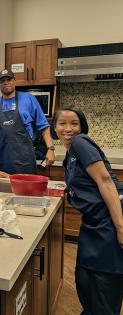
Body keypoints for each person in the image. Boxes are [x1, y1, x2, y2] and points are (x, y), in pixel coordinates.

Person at [52, 104, 123, 315]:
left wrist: (120, 227)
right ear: (54, 128)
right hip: (93, 225)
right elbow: (80, 185)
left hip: (109, 222)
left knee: (103, 290)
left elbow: (105, 181)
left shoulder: (81, 142)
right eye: (62, 123)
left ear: (82, 128)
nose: (68, 129)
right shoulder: (70, 155)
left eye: (74, 124)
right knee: (85, 282)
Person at [0, 69, 55, 174]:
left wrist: (50, 149)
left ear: (14, 81)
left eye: (9, 79)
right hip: (1, 160)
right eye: (2, 80)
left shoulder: (29, 99)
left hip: (26, 160)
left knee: (26, 190)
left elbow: (44, 126)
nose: (6, 82)